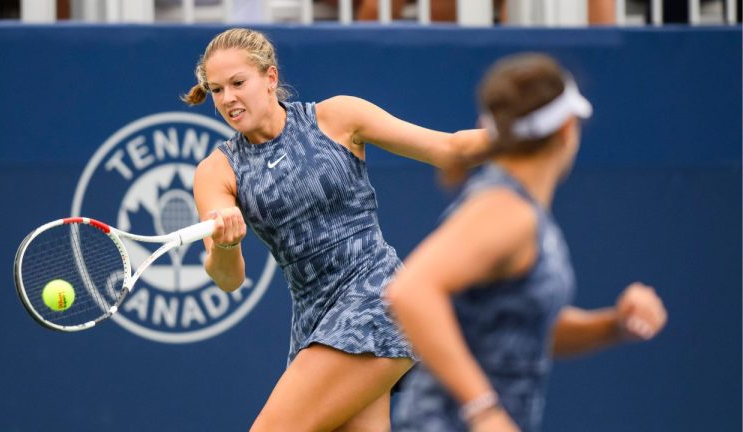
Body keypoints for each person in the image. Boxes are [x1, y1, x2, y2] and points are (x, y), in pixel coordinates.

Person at [182, 28, 491, 431]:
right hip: (314, 321)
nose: (229, 99)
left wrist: (530, 131)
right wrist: (225, 245)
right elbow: (228, 279)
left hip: (377, 299)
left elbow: (451, 149)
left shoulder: (338, 116)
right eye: (218, 90)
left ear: (270, 78)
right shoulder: (216, 171)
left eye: (238, 83)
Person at [386, 53, 668, 432]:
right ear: (568, 129)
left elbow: (528, 330)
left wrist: (615, 324)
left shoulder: (518, 210)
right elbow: (410, 291)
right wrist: (484, 411)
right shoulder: (506, 211)